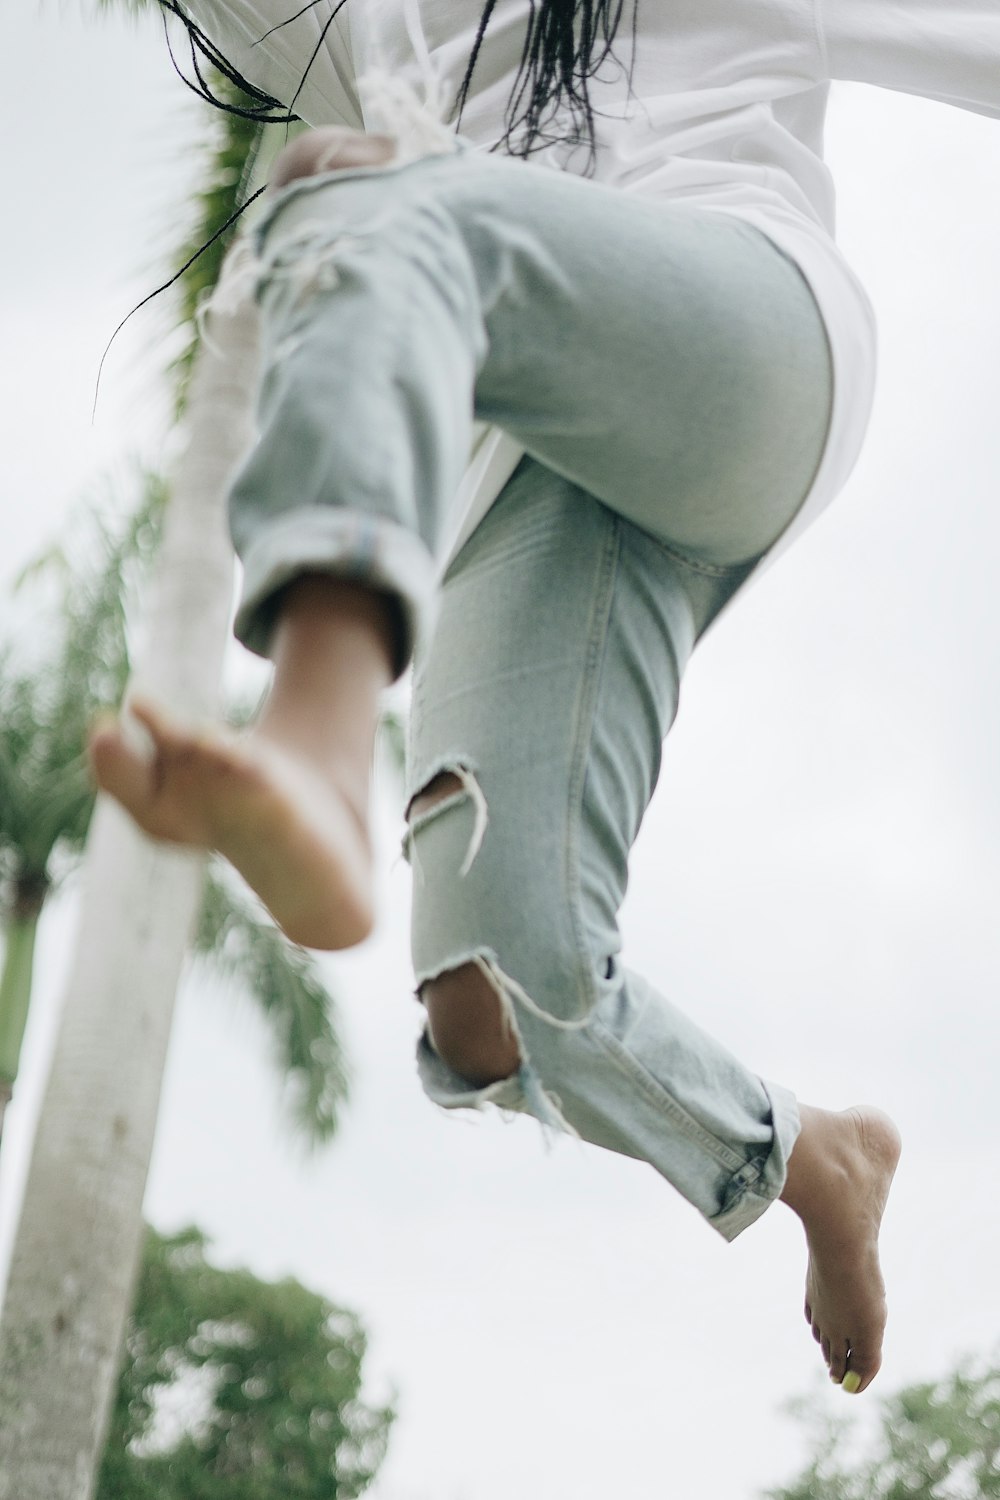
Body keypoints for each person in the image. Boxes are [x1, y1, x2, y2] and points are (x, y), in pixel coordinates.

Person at [89, 0, 995, 1397]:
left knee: (374, 199)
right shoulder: (347, 20)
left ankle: (323, 740)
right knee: (497, 985)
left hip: (745, 332)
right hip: (537, 448)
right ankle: (815, 1160)